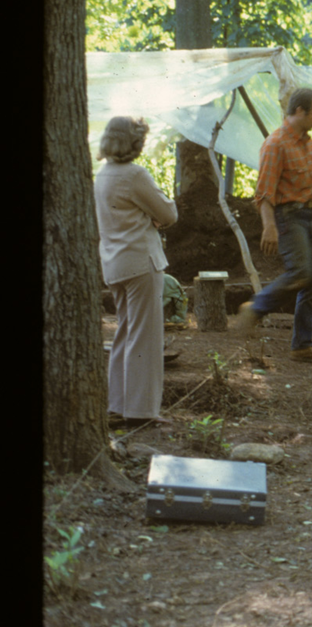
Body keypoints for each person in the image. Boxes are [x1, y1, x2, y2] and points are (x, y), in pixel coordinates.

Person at [237, 88, 312, 364]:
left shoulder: (308, 143)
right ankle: (257, 307)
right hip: (288, 216)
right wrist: (269, 227)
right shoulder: (275, 144)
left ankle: (302, 345)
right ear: (300, 111)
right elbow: (264, 193)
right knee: (301, 272)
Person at [94, 116, 178, 428]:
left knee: (125, 333)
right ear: (133, 143)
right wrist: (152, 215)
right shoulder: (134, 174)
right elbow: (168, 213)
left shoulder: (102, 174)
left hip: (115, 263)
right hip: (141, 263)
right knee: (144, 337)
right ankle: (141, 412)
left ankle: (117, 405)